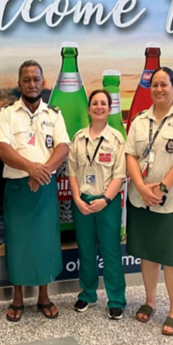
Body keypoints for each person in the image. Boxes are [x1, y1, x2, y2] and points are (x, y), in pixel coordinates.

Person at [125, 67, 173, 336]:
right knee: (148, 254)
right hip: (142, 200)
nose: (158, 89)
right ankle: (149, 301)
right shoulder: (139, 120)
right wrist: (140, 187)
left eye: (164, 84)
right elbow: (131, 156)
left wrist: (160, 187)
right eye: (154, 84)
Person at [0, 60, 69, 321]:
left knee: (45, 242)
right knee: (18, 243)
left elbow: (63, 147)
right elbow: (1, 147)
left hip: (45, 188)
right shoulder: (8, 114)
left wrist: (42, 171)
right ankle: (17, 299)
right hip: (17, 189)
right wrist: (29, 168)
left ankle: (44, 297)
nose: (32, 84)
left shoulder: (54, 114)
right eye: (26, 80)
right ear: (19, 84)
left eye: (36, 79)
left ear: (43, 82)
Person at [66, 90, 126, 320]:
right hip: (82, 202)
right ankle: (88, 293)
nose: (99, 107)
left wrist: (106, 200)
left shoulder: (117, 139)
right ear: (89, 109)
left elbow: (119, 175)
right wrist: (77, 199)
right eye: (94, 103)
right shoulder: (78, 138)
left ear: (109, 109)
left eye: (103, 103)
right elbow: (71, 173)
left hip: (107, 202)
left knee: (111, 252)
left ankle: (117, 300)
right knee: (86, 251)